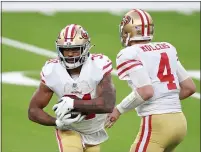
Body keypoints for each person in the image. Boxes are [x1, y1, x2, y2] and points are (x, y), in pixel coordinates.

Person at [105, 9, 196, 152]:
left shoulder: (130, 53)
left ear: (127, 31)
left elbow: (146, 91)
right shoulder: (167, 48)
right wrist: (166, 99)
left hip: (157, 123)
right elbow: (189, 87)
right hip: (180, 122)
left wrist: (118, 109)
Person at [28, 24, 116, 152]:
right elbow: (33, 110)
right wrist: (57, 122)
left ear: (85, 48)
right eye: (65, 49)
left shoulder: (98, 65)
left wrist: (73, 104)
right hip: (69, 129)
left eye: (75, 49)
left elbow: (107, 104)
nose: (69, 54)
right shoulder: (52, 70)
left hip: (94, 131)